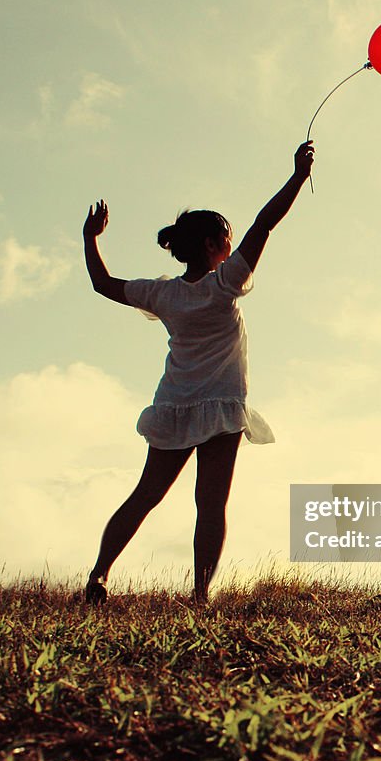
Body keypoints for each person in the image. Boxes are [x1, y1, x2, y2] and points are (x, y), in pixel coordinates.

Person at [82, 140, 315, 604]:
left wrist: (91, 238)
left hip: (174, 405)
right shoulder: (224, 284)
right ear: (212, 245)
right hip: (221, 409)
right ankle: (200, 595)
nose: (232, 244)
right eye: (227, 238)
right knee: (210, 505)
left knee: (145, 495)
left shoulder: (163, 295)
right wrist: (297, 176)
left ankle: (100, 575)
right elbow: (264, 224)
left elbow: (102, 284)